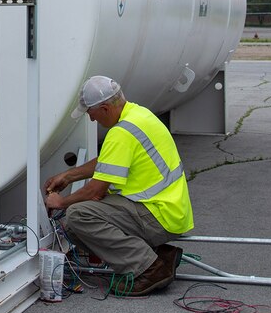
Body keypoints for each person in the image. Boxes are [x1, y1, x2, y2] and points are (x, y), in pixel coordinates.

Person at [43, 75, 193, 297]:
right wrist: (68, 176)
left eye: (90, 113)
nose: (92, 120)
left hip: (157, 215)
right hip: (170, 210)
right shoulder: (139, 115)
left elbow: (96, 190)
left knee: (77, 216)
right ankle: (158, 255)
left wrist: (61, 202)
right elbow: (109, 160)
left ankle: (149, 268)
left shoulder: (121, 133)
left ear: (104, 108)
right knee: (75, 224)